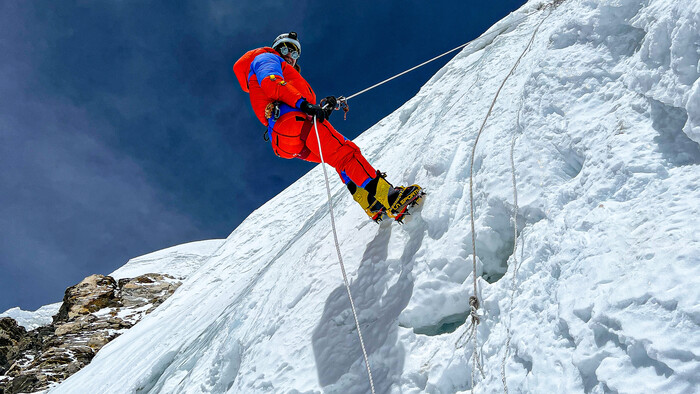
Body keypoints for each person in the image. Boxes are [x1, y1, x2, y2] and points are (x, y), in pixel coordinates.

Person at [233, 32, 421, 222]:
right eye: (285, 49)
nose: (290, 56)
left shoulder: (282, 75)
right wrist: (304, 105)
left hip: (285, 140)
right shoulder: (266, 58)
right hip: (295, 122)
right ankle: (390, 198)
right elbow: (271, 81)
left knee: (339, 160)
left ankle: (371, 203)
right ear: (276, 48)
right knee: (346, 154)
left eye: (295, 53)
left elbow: (287, 97)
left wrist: (320, 107)